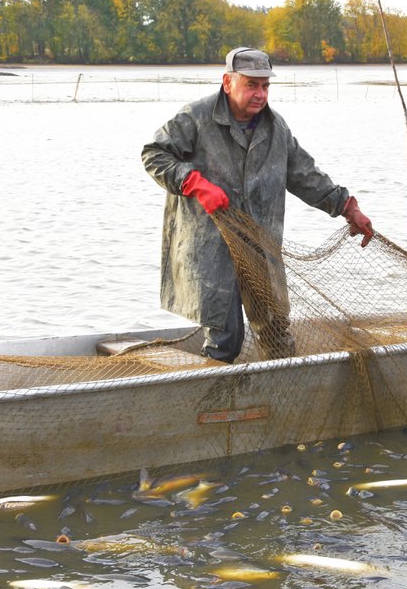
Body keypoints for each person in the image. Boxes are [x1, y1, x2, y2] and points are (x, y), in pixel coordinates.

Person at [141, 47, 374, 363]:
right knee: (225, 339)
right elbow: (154, 154)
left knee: (278, 332)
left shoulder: (276, 128)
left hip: (260, 246)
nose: (260, 94)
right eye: (251, 84)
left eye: (265, 86)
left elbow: (305, 175)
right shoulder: (195, 118)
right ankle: (211, 402)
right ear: (228, 82)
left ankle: (281, 398)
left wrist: (348, 207)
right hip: (210, 247)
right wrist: (194, 183)